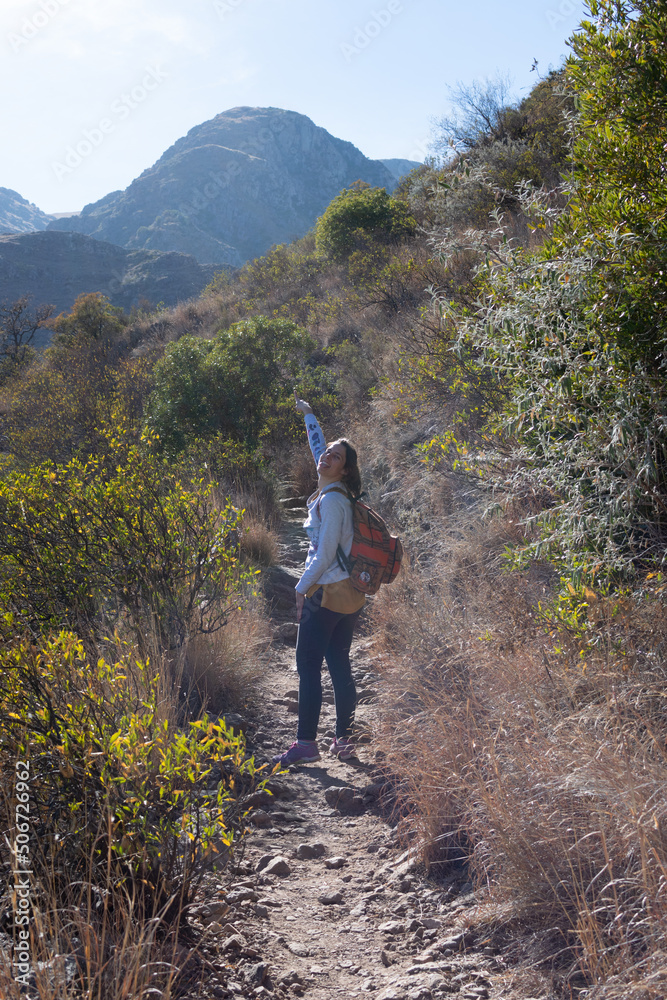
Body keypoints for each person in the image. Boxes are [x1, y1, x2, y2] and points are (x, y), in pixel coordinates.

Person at [272, 392, 366, 767]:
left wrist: (301, 587)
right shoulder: (337, 489)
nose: (325, 457)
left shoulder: (332, 501)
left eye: (335, 456)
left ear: (344, 469)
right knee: (339, 662)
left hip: (326, 593)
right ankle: (344, 739)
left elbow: (325, 555)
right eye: (326, 453)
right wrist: (310, 417)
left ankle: (306, 743)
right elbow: (318, 448)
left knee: (308, 664)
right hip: (351, 594)